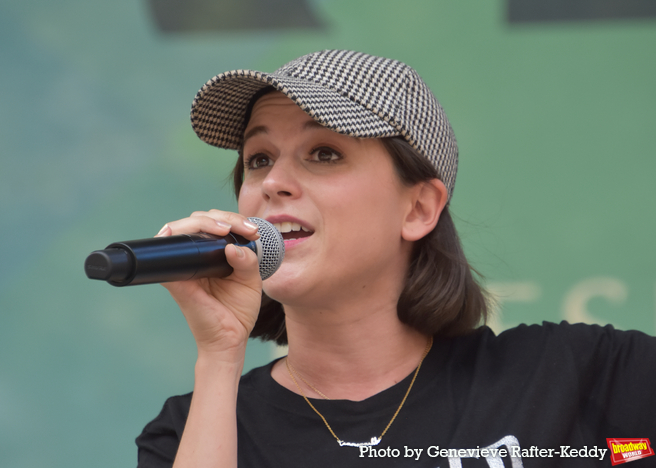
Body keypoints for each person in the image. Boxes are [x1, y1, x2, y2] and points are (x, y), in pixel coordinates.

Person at [136, 50, 656, 467]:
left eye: (324, 153)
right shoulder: (191, 430)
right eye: (259, 159)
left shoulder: (579, 374)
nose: (272, 183)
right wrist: (221, 354)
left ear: (419, 208)